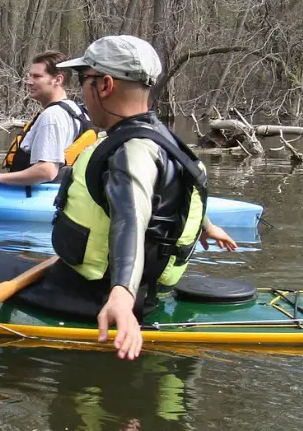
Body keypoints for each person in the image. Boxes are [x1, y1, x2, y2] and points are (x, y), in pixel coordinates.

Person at [42, 35, 238, 360]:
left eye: (83, 79)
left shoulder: (129, 151)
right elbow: (172, 194)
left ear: (104, 85)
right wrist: (206, 224)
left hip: (95, 293)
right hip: (147, 291)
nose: (81, 92)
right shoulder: (161, 136)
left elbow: (130, 218)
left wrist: (121, 295)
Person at [0, 51, 96, 185]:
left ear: (58, 80)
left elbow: (46, 171)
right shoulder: (76, 110)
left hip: (34, 198)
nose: (29, 82)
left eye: (37, 76)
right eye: (30, 76)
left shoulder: (52, 115)